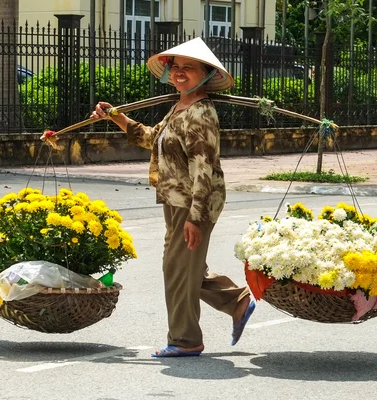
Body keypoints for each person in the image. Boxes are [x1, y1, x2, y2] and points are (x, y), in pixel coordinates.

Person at [90, 37, 255, 358]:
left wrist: (197, 217)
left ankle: (185, 340)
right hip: (175, 198)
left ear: (205, 74)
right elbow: (153, 138)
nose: (180, 73)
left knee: (176, 267)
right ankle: (237, 301)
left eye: (188, 68)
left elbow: (203, 167)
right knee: (183, 264)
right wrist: (117, 117)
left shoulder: (201, 114)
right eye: (176, 68)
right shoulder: (181, 108)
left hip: (193, 200)